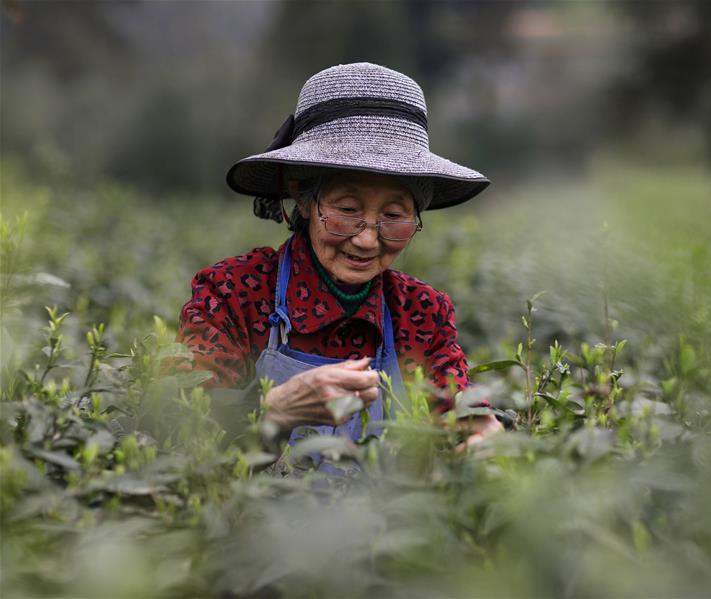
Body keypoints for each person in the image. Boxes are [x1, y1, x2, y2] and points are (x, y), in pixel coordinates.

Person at [178, 63, 502, 455]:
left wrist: (479, 432)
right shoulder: (233, 293)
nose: (367, 239)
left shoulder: (420, 312)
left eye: (394, 215)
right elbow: (178, 425)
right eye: (347, 209)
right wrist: (271, 409)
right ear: (303, 197)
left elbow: (459, 409)